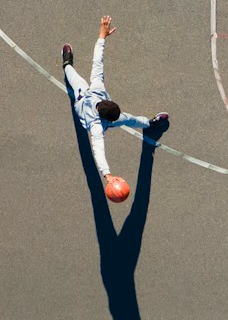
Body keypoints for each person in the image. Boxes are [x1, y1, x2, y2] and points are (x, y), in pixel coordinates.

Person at [63, 15, 168, 200]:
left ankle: (149, 124)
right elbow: (98, 150)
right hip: (81, 106)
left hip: (86, 95)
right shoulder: (96, 127)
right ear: (105, 119)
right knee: (72, 75)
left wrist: (102, 36)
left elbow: (98, 61)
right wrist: (107, 175)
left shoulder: (98, 88)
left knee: (131, 119)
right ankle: (66, 63)